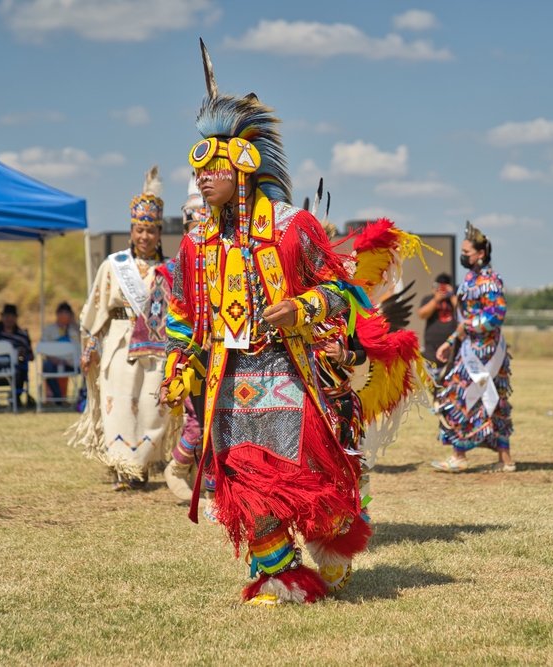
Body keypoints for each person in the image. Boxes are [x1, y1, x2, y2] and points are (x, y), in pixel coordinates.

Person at [161, 40, 370, 605]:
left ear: (244, 165)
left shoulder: (292, 227)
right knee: (243, 483)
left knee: (309, 479)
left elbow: (341, 293)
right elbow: (183, 314)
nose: (202, 179)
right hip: (229, 382)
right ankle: (277, 574)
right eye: (197, 168)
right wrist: (181, 363)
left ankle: (327, 550)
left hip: (287, 371)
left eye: (213, 167)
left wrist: (301, 309)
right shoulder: (196, 244)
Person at [68, 167, 178, 491]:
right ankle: (124, 468)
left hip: (157, 347)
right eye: (139, 230)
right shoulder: (113, 265)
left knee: (152, 406)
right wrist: (89, 348)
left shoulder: (169, 269)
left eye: (151, 231)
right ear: (131, 231)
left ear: (159, 233)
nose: (144, 236)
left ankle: (143, 462)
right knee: (119, 403)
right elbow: (94, 311)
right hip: (119, 342)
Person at [432, 221, 514, 473]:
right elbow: (464, 320)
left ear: (481, 254)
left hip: (487, 353)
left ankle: (464, 456)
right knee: (487, 399)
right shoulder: (470, 279)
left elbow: (496, 315)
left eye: (467, 253)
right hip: (470, 347)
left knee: (469, 398)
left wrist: (468, 327)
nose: (463, 257)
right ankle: (503, 458)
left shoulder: (489, 280)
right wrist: (451, 341)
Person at [0, 304, 34, 405]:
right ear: (2, 317)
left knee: (22, 369)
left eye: (12, 316)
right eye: (7, 316)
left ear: (16, 318)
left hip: (14, 368)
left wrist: (23, 354)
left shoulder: (22, 335)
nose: (9, 319)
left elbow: (31, 356)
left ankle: (15, 398)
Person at [41, 301, 80, 404]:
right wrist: (52, 357)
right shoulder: (49, 329)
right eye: (61, 313)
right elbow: (43, 347)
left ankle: (83, 396)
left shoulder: (77, 328)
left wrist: (74, 323)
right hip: (54, 361)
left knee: (89, 366)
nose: (64, 316)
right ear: (57, 314)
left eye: (67, 314)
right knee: (46, 366)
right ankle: (58, 398)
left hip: (74, 362)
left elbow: (86, 340)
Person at [417, 272, 456, 372]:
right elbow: (421, 314)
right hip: (431, 348)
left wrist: (451, 295)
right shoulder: (429, 299)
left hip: (452, 347)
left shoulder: (453, 300)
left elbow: (463, 310)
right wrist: (436, 299)